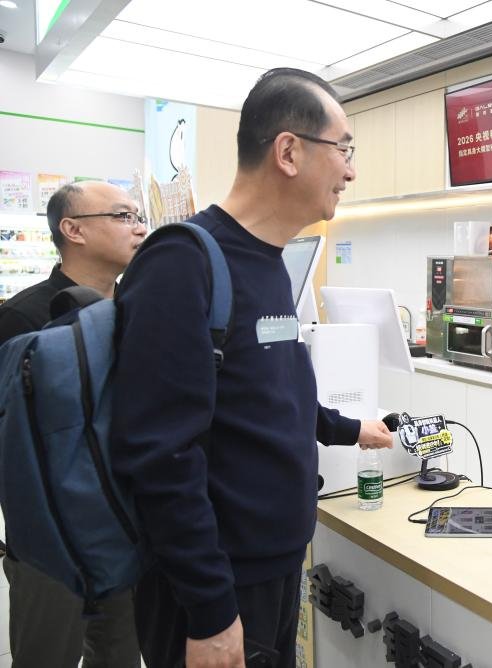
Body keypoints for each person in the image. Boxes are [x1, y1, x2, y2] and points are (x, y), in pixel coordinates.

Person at [110, 67, 394, 668]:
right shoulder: (182, 263)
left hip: (272, 567)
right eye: (343, 149)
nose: (351, 170)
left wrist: (350, 429)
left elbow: (272, 395)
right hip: (215, 588)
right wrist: (212, 613)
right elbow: (161, 455)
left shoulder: (271, 264)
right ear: (288, 151)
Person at [0, 180, 146, 668]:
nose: (139, 227)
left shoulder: (139, 311)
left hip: (122, 530)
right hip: (48, 542)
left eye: (139, 215)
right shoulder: (22, 317)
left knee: (121, 655)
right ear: (73, 230)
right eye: (123, 216)